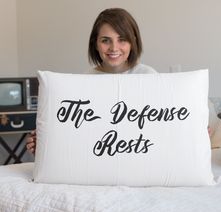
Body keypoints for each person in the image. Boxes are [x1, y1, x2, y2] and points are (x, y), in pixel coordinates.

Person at [26, 8, 158, 154]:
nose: (114, 48)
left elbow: (159, 128)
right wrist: (45, 143)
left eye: (122, 39)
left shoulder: (149, 76)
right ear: (95, 43)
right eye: (105, 40)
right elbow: (76, 132)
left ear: (133, 42)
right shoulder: (85, 81)